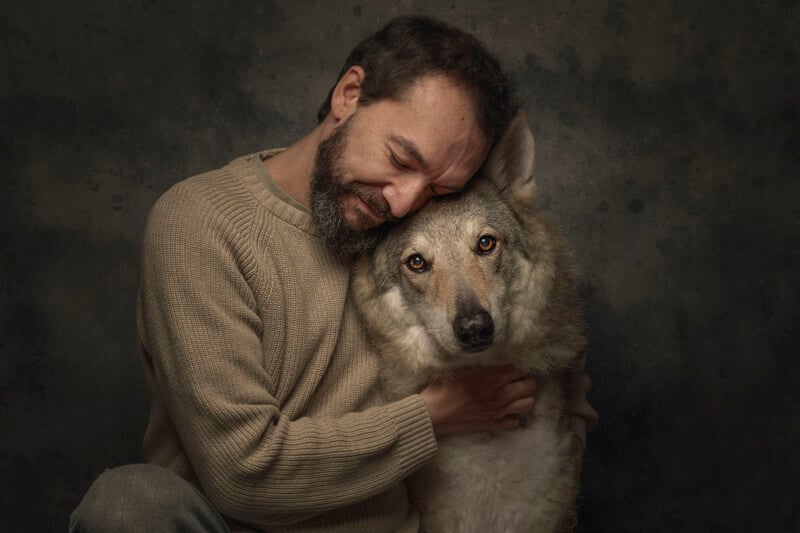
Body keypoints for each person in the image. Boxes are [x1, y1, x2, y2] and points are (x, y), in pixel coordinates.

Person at [70, 16, 597, 532]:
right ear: (349, 94)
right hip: (235, 520)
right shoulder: (201, 224)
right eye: (399, 157)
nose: (403, 201)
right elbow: (242, 475)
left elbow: (541, 333)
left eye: (437, 188)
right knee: (129, 503)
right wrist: (433, 414)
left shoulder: (403, 225)